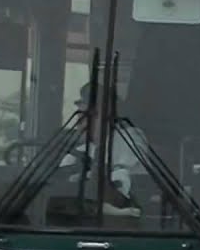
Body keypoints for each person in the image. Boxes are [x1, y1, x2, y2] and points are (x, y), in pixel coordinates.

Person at [61, 82, 150, 213]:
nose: (80, 123)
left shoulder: (128, 138)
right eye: (80, 116)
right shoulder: (81, 150)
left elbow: (119, 184)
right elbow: (59, 181)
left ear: (107, 115)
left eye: (89, 115)